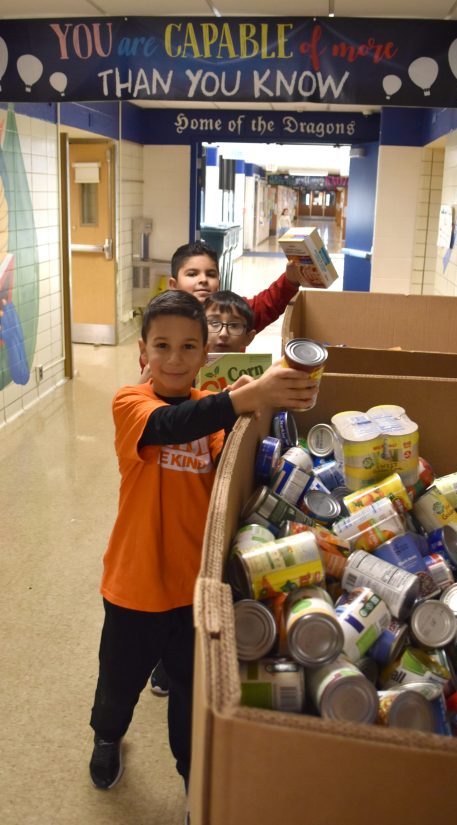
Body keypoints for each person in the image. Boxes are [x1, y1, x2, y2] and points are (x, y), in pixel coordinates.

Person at [89, 290, 316, 797]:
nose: (175, 359)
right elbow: (170, 426)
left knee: (191, 694)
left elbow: (228, 462)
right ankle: (107, 737)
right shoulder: (130, 403)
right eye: (162, 346)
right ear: (142, 352)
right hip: (135, 584)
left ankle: (192, 776)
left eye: (189, 347)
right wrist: (241, 399)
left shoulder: (211, 412)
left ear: (203, 354)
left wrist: (246, 410)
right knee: (118, 681)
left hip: (195, 589)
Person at [149, 290, 256, 698]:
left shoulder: (239, 380)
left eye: (234, 326)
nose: (224, 333)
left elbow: (224, 450)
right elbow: (166, 422)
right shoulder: (150, 392)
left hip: (201, 517)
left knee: (187, 604)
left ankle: (182, 671)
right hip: (154, 533)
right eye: (215, 323)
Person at [168, 240, 300, 333]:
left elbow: (268, 304)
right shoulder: (162, 322)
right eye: (192, 274)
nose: (203, 280)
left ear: (218, 282)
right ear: (174, 285)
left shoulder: (235, 312)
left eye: (211, 274)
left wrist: (290, 280)